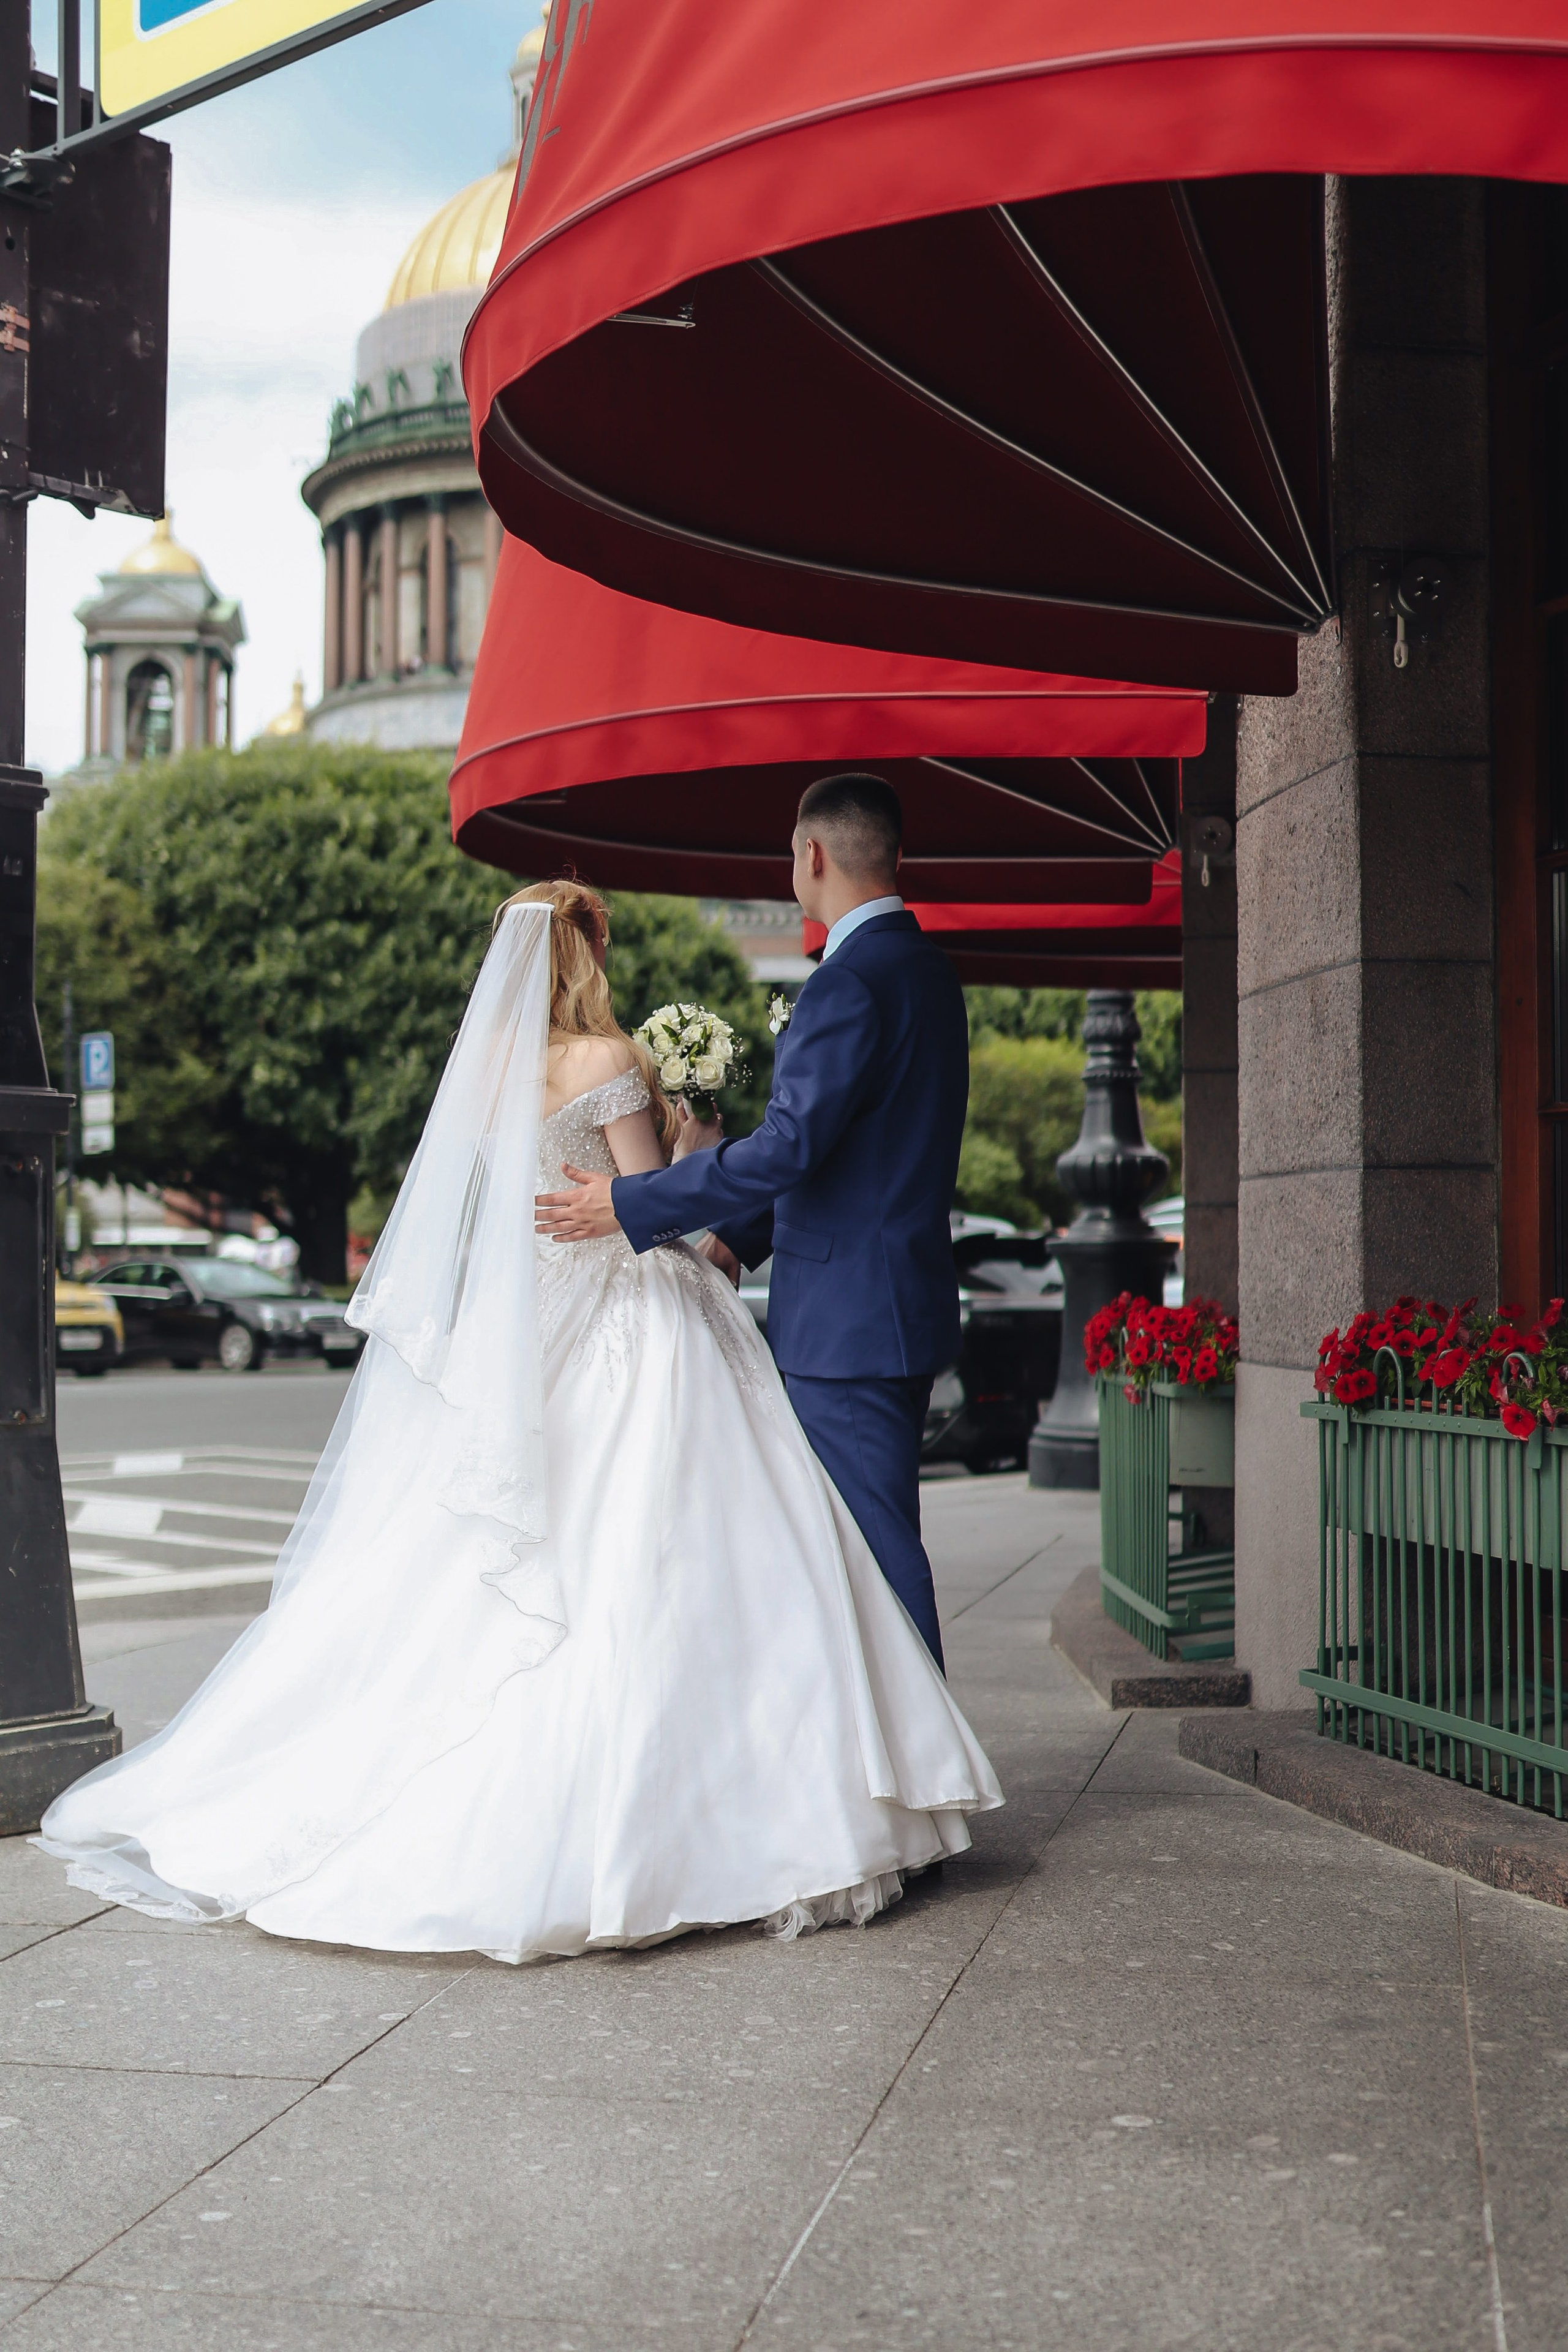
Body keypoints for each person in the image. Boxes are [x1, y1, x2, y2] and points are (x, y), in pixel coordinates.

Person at [37, 880, 1000, 1962]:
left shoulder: (487, 1074)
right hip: (638, 1314)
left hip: (538, 1327)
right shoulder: (611, 1063)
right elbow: (650, 1211)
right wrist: (694, 1130)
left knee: (511, 1551)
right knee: (679, 1545)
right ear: (588, 953)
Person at [536, 773, 968, 1670]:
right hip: (892, 1304)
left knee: (877, 1553)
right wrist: (740, 1238)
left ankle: (935, 1789)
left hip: (848, 1325)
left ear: (812, 855)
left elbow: (789, 1147)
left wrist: (627, 1204)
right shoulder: (925, 971)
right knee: (862, 1547)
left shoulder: (847, 983)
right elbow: (854, 1155)